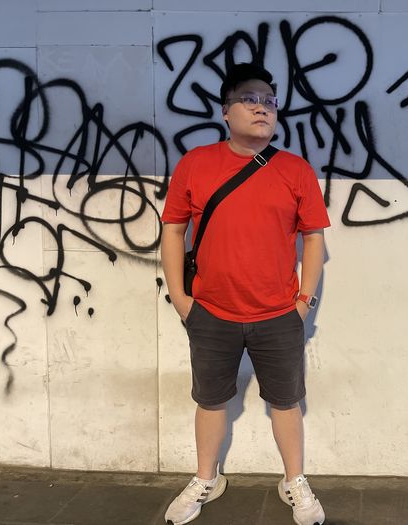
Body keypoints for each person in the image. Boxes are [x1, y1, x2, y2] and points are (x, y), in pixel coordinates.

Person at [160, 62, 329, 525]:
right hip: (211, 312)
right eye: (250, 99)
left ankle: (294, 480)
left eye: (269, 101)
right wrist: (181, 299)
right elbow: (172, 230)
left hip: (279, 313)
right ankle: (206, 478)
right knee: (210, 399)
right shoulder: (196, 164)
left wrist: (304, 302)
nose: (262, 108)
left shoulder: (295, 170)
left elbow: (314, 237)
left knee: (286, 401)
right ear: (225, 111)